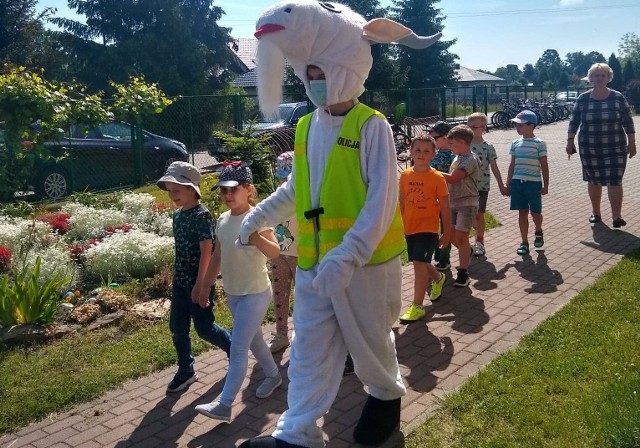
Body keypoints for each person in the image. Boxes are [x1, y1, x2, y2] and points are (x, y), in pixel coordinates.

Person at [238, 2, 442, 446]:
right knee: (309, 351)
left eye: (322, 72)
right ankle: (297, 432)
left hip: (364, 269)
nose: (314, 82)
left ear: (347, 68)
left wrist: (348, 255)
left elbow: (381, 200)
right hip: (314, 266)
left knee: (370, 349)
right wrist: (259, 215)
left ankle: (386, 405)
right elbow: (298, 189)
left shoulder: (373, 127)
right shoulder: (307, 126)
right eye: (307, 74)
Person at [194, 162, 283, 423]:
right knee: (254, 340)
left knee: (239, 346)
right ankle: (273, 375)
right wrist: (205, 285)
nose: (228, 195)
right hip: (234, 293)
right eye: (223, 191)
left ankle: (225, 404)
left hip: (256, 292)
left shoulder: (257, 217)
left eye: (234, 189)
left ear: (249, 189)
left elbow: (275, 252)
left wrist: (256, 238)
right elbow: (218, 256)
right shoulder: (222, 220)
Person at [156, 161, 232, 394]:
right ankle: (186, 369)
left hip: (199, 282)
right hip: (180, 282)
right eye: (169, 191)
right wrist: (177, 280)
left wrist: (201, 286)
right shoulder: (178, 216)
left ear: (192, 189)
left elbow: (207, 253)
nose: (172, 196)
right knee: (177, 327)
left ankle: (234, 349)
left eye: (177, 190)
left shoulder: (202, 215)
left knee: (205, 329)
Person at [566, 62, 636, 228]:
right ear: (591, 78)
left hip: (616, 147)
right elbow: (574, 121)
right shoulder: (583, 99)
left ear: (608, 78)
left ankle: (617, 216)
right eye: (596, 75)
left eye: (603, 75)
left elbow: (628, 121)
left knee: (615, 180)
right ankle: (596, 213)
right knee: (594, 180)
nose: (599, 78)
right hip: (589, 147)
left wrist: (632, 143)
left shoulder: (618, 97)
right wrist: (569, 141)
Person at [398, 135, 451, 323]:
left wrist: (447, 231)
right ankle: (438, 278)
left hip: (427, 228)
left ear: (433, 154)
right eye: (417, 150)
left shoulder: (437, 178)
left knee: (418, 264)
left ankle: (417, 306)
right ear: (410, 152)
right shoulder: (405, 175)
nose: (421, 154)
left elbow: (445, 206)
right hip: (409, 227)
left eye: (426, 151)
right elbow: (402, 201)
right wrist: (399, 224)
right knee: (419, 260)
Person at [505, 110, 549, 256]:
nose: (517, 128)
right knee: (522, 212)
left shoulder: (539, 144)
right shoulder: (515, 143)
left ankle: (538, 230)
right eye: (516, 125)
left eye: (521, 125)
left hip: (533, 183)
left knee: (536, 213)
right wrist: (508, 183)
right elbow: (512, 164)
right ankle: (524, 242)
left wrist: (546, 185)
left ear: (531, 125)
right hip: (518, 183)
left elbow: (544, 165)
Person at [441, 125, 479, 287]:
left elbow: (453, 178)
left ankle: (463, 273)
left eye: (452, 144)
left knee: (462, 238)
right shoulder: (457, 157)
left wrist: (430, 172)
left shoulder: (470, 159)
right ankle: (467, 251)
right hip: (453, 202)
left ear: (462, 142)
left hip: (467, 203)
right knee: (450, 236)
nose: (450, 147)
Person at [268, 151, 297, 353]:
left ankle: (304, 332)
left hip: (300, 254)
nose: (282, 181)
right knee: (279, 294)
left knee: (303, 295)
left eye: (286, 177)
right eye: (280, 176)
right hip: (278, 253)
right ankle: (281, 333)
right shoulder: (275, 198)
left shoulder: (303, 196)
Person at [467, 112, 507, 256]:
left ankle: (479, 241)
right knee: (468, 215)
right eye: (469, 126)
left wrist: (502, 185)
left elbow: (494, 167)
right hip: (466, 187)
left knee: (479, 214)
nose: (471, 129)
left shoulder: (488, 147)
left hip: (482, 186)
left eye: (475, 127)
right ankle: (467, 241)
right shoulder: (465, 145)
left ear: (483, 127)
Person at [428, 121, 455, 271]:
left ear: (445, 137)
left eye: (435, 138)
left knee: (446, 228)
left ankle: (445, 258)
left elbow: (453, 176)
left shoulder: (452, 156)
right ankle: (438, 255)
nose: (432, 141)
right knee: (434, 227)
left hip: (446, 198)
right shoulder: (436, 153)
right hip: (432, 198)